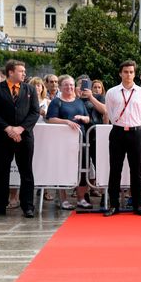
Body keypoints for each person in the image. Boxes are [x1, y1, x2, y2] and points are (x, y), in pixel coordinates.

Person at [0, 60, 40, 218]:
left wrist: (20, 128)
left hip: (25, 138)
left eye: (24, 71)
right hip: (3, 137)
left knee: (26, 172)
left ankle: (28, 206)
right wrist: (8, 128)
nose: (24, 73)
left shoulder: (30, 89)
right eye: (21, 71)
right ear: (11, 72)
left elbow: (35, 112)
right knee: (1, 171)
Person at [103, 61, 141, 217]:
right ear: (120, 73)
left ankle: (137, 205)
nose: (128, 74)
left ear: (134, 74)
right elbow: (109, 112)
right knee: (115, 170)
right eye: (125, 72)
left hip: (135, 133)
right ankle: (114, 205)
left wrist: (134, 123)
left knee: (136, 171)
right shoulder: (112, 92)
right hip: (117, 133)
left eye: (131, 72)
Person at [46, 75, 92, 210]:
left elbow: (88, 118)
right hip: (63, 142)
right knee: (64, 169)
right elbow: (50, 119)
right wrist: (66, 121)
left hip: (81, 140)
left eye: (71, 85)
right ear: (60, 87)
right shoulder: (56, 102)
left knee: (83, 169)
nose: (69, 87)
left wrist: (83, 118)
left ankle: (81, 198)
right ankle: (63, 199)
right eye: (66, 85)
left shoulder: (79, 101)